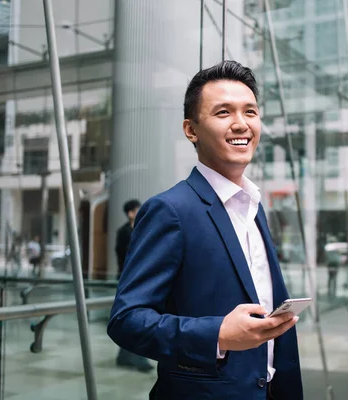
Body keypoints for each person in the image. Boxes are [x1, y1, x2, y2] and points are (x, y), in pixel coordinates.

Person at [107, 61, 303, 399]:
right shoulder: (171, 210)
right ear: (191, 129)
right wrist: (218, 334)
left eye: (250, 112)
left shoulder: (254, 207)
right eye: (224, 112)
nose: (241, 124)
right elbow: (127, 320)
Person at [114, 199, 154, 372]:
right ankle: (138, 359)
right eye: (137, 210)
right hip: (129, 280)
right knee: (136, 317)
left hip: (139, 278)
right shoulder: (124, 232)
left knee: (133, 317)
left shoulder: (140, 229)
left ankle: (124, 356)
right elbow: (125, 256)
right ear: (130, 213)